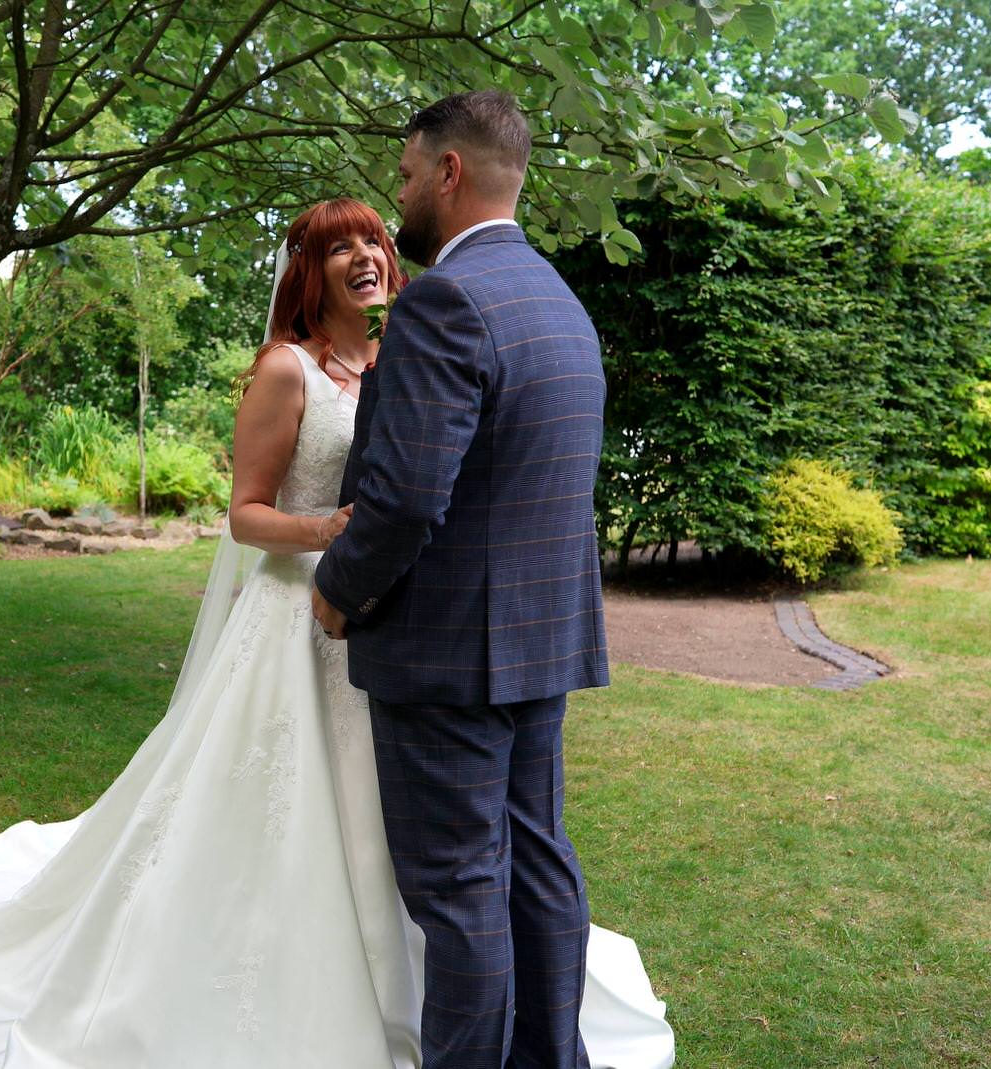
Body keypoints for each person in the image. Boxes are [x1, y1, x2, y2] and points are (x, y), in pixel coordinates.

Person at [0, 195, 673, 1069]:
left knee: (415, 840)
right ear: (310, 272)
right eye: (341, 249)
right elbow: (245, 515)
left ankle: (429, 1000)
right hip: (299, 621)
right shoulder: (286, 369)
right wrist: (328, 533)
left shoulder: (401, 357)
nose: (365, 256)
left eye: (373, 239)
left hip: (395, 633)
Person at [312, 90, 614, 1069]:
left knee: (458, 890)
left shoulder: (444, 299)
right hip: (538, 641)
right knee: (537, 865)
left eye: (404, 174)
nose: (398, 194)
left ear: (447, 173)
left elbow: (402, 499)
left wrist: (340, 588)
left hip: (446, 653)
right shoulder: (558, 303)